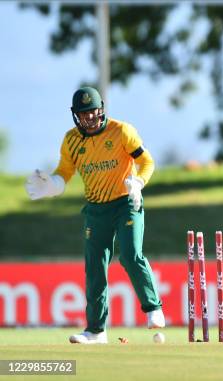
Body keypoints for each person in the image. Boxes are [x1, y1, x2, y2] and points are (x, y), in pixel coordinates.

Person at [25, 87, 164, 344]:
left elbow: (148, 162)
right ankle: (96, 331)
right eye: (83, 113)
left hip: (127, 202)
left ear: (101, 110)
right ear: (76, 115)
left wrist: (138, 183)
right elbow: (65, 171)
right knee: (95, 267)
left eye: (92, 112)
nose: (89, 118)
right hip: (96, 209)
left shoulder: (122, 131)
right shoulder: (71, 140)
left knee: (131, 254)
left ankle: (153, 307)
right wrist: (52, 185)